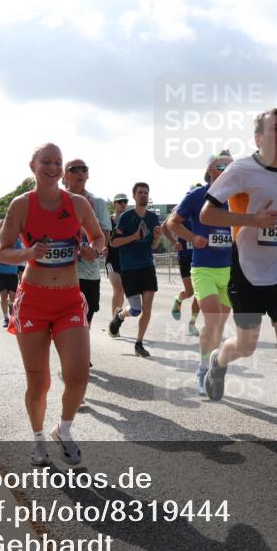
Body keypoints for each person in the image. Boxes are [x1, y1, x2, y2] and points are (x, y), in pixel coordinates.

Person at [200, 108, 277, 455]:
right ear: (258, 138)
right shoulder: (241, 169)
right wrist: (251, 219)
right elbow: (208, 213)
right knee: (247, 345)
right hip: (248, 272)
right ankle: (218, 362)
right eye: (275, 129)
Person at [0, 143, 104, 467]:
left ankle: (65, 429)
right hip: (34, 300)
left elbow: (99, 238)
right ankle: (39, 438)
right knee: (39, 382)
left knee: (77, 375)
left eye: (58, 162)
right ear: (33, 165)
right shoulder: (21, 205)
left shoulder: (78, 204)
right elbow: (2, 251)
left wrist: (92, 250)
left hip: (69, 298)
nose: (54, 167)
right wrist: (28, 254)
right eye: (47, 161)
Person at [167, 151, 234, 395]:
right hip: (203, 268)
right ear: (210, 170)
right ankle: (203, 370)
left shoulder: (236, 197)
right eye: (222, 165)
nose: (228, 168)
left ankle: (213, 366)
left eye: (231, 164)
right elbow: (172, 223)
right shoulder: (197, 196)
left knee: (218, 327)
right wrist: (193, 237)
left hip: (229, 271)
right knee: (213, 320)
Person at [107, 182, 161, 358]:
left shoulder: (153, 218)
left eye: (146, 192)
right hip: (129, 268)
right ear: (134, 196)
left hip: (147, 266)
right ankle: (120, 315)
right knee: (136, 309)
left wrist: (156, 238)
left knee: (147, 308)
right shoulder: (126, 217)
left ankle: (139, 343)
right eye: (140, 192)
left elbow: (153, 245)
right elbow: (114, 242)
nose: (143, 195)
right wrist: (134, 236)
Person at [61, 158, 112, 327]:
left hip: (89, 273)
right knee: (63, 323)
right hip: (62, 273)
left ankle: (78, 352)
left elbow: (104, 235)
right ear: (65, 175)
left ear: (88, 175)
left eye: (84, 169)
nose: (80, 172)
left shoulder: (98, 203)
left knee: (85, 322)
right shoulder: (56, 202)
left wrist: (95, 249)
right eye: (74, 169)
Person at [165, 191, 201, 338]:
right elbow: (164, 227)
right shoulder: (180, 209)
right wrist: (175, 242)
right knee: (190, 291)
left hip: (200, 257)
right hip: (185, 257)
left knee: (199, 294)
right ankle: (179, 298)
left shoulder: (206, 210)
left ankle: (192, 323)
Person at [0, 219, 24, 328]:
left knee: (12, 297)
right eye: (1, 226)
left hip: (12, 272)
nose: (4, 228)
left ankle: (11, 308)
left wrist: (13, 257)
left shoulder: (15, 241)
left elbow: (21, 256)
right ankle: (6, 318)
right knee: (3, 295)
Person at [105, 194, 128, 322]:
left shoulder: (129, 221)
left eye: (125, 201)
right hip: (111, 260)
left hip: (125, 261)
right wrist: (103, 247)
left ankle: (117, 320)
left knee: (122, 292)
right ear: (114, 204)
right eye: (119, 202)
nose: (122, 204)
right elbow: (102, 237)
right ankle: (114, 321)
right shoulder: (108, 220)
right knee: (118, 289)